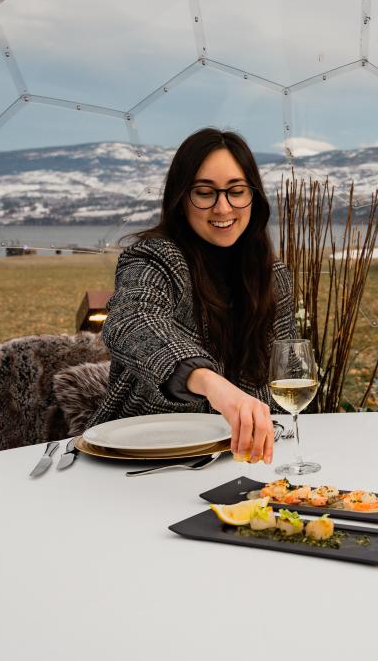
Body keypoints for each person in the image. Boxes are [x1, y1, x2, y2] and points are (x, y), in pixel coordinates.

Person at [88, 128, 296, 463]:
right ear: (181, 198)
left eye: (236, 191)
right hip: (138, 454)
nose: (223, 207)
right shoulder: (154, 258)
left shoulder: (273, 276)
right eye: (204, 192)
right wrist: (210, 383)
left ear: (253, 197)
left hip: (237, 458)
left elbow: (286, 375)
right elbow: (131, 322)